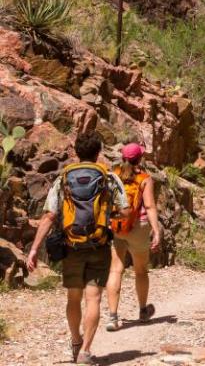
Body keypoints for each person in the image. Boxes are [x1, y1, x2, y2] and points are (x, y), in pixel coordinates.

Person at [27, 133, 130, 365]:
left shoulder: (63, 178)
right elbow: (125, 211)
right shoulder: (109, 177)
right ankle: (85, 351)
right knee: (92, 298)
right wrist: (105, 216)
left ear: (76, 152)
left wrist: (34, 249)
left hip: (71, 245)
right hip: (99, 245)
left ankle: (75, 341)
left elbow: (49, 216)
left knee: (73, 297)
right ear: (98, 153)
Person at [105, 143, 161, 331]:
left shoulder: (113, 175)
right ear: (140, 159)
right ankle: (143, 311)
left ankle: (113, 317)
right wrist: (156, 230)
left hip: (117, 226)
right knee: (140, 270)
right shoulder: (145, 178)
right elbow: (150, 206)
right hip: (139, 227)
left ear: (123, 158)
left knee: (115, 270)